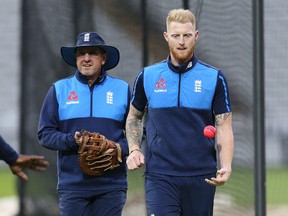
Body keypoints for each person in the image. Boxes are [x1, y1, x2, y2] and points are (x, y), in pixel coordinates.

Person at [126, 9, 234, 216]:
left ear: (196, 36)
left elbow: (224, 126)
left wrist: (226, 166)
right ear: (167, 37)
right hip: (160, 175)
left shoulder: (214, 78)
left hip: (202, 175)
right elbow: (134, 117)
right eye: (176, 36)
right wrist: (134, 149)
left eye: (187, 35)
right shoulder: (148, 76)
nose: (181, 41)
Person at [38, 32, 131, 216]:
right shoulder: (59, 89)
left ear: (103, 58)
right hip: (72, 186)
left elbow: (137, 131)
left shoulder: (122, 89)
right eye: (81, 53)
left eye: (93, 53)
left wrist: (119, 148)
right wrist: (72, 140)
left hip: (111, 185)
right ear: (76, 59)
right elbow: (45, 134)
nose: (86, 59)